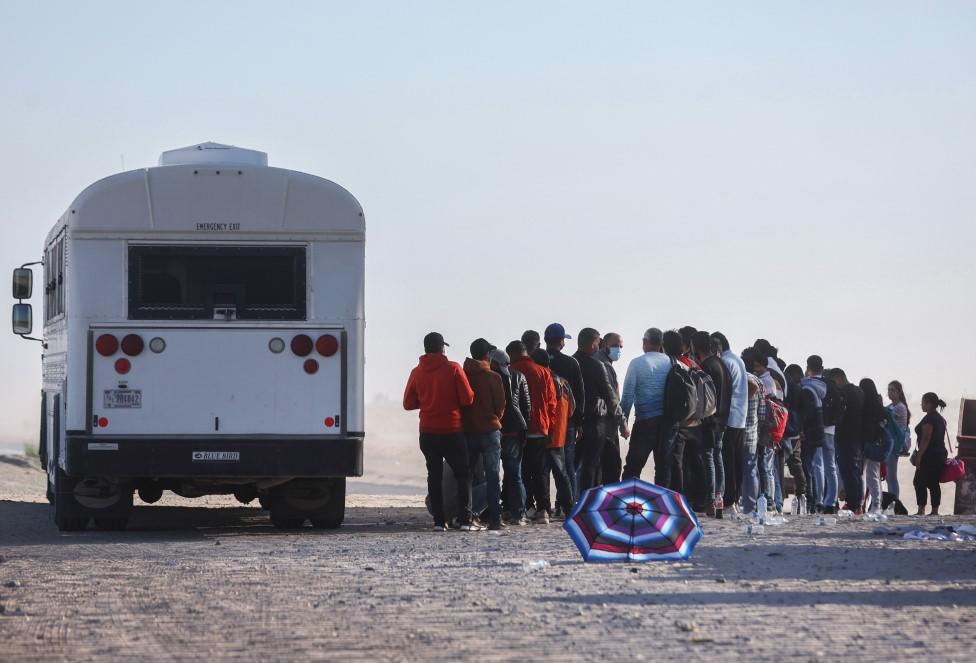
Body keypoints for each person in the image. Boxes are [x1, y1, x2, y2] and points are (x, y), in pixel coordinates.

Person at [403, 332, 478, 531]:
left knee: (433, 476)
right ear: (442, 348)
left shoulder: (416, 372)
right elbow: (468, 399)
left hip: (427, 431)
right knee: (463, 474)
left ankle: (438, 521)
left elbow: (408, 403)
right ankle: (464, 520)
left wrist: (428, 401)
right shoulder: (453, 368)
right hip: (452, 430)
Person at [509, 340, 557, 524]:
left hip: (515, 430)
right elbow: (552, 404)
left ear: (512, 354)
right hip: (539, 427)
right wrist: (550, 427)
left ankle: (525, 506)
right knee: (540, 471)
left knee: (520, 471)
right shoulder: (543, 372)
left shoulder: (510, 371)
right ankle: (543, 509)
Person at [461, 338, 506, 530]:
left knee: (467, 476)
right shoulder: (493, 377)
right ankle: (495, 519)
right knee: (493, 475)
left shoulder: (463, 375)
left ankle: (467, 516)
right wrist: (493, 417)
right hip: (489, 430)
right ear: (487, 355)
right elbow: (500, 406)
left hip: (468, 431)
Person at [620, 328, 673, 484]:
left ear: (645, 342)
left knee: (633, 467)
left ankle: (628, 502)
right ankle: (661, 506)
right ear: (661, 343)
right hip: (666, 424)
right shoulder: (670, 362)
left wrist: (623, 424)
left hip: (644, 423)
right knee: (663, 468)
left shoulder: (637, 363)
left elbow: (627, 396)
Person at [573, 327, 622, 494]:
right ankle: (586, 500)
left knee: (572, 464)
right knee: (590, 465)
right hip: (595, 422)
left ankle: (569, 501)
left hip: (572, 421)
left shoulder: (570, 362)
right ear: (594, 344)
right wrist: (622, 422)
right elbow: (609, 395)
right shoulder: (596, 365)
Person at [532, 348, 575, 520]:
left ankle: (543, 509)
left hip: (542, 431)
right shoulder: (563, 382)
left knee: (541, 472)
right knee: (561, 473)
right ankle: (569, 508)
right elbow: (572, 408)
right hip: (559, 433)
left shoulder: (538, 378)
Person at [692, 331, 731, 518]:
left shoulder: (706, 366)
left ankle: (710, 501)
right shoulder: (722, 364)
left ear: (695, 347)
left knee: (708, 458)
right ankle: (718, 499)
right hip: (723, 419)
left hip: (710, 420)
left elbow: (704, 397)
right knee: (718, 457)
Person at [490, 348, 531, 526]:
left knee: (491, 474)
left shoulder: (490, 376)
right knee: (515, 474)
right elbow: (526, 405)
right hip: (515, 430)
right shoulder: (519, 376)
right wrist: (525, 428)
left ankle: (494, 512)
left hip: (494, 429)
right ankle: (519, 513)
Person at [545, 322, 584, 504]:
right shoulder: (570, 363)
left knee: (543, 466)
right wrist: (579, 422)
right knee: (568, 464)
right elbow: (579, 395)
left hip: (542, 422)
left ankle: (543, 504)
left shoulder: (538, 361)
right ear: (561, 341)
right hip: (566, 422)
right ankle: (567, 503)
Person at [711, 332, 748, 514]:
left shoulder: (725, 362)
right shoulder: (738, 360)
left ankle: (729, 501)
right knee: (737, 461)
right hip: (740, 417)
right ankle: (736, 500)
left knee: (728, 462)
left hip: (730, 417)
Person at [743, 348, 776, 511]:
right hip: (752, 433)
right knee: (752, 469)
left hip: (736, 431)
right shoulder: (760, 382)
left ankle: (739, 502)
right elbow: (763, 413)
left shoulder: (738, 379)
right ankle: (750, 505)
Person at [807, 355, 841, 513]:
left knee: (818, 465)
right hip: (831, 429)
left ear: (809, 368)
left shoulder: (809, 384)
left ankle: (819, 500)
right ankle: (831, 501)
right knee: (831, 466)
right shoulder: (830, 385)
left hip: (817, 428)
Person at [663, 329, 693, 495]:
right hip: (687, 417)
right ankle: (680, 496)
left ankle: (668, 494)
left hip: (670, 417)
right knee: (679, 460)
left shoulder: (666, 363)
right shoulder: (688, 364)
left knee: (667, 460)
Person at [793, 364, 827, 513]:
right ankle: (814, 501)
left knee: (808, 468)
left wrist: (801, 429)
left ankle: (810, 501)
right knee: (812, 467)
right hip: (818, 433)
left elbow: (806, 414)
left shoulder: (806, 390)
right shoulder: (818, 389)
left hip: (809, 434)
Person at [596, 332, 629, 485]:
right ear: (604, 345)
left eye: (620, 347)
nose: (618, 350)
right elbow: (612, 399)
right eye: (615, 346)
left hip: (600, 423)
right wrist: (623, 424)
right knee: (612, 467)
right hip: (605, 424)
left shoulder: (600, 362)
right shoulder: (603, 365)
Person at [831, 368, 864, 514]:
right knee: (855, 472)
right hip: (857, 437)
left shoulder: (844, 393)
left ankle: (853, 503)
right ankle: (857, 503)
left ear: (838, 379)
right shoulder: (859, 391)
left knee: (847, 471)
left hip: (845, 437)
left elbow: (841, 415)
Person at [913, 392, 949, 516]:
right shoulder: (939, 418)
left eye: (922, 402)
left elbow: (926, 438)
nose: (921, 405)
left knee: (919, 481)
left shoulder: (930, 418)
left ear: (928, 403)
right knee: (933, 482)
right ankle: (934, 511)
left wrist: (919, 456)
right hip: (939, 454)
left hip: (929, 455)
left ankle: (922, 509)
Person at [859, 378, 888, 513]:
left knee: (862, 474)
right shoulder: (879, 406)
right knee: (874, 474)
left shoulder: (863, 405)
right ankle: (877, 503)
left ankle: (861, 503)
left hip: (864, 442)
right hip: (876, 443)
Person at [886, 380, 911, 499]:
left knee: (891, 476)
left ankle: (894, 501)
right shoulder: (892, 406)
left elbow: (885, 416)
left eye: (893, 390)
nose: (890, 393)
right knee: (889, 476)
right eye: (889, 390)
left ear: (899, 392)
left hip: (895, 444)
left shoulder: (900, 407)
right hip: (890, 443)